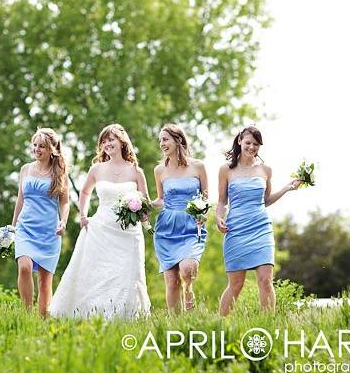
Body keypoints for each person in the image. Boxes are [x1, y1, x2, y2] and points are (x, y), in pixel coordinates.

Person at [49, 124, 151, 319]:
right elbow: (85, 192)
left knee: (127, 274)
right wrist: (84, 215)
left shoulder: (136, 171)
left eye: (111, 139)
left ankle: (125, 317)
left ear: (122, 142)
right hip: (102, 229)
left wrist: (145, 220)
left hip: (129, 233)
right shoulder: (97, 169)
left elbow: (144, 201)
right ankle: (93, 315)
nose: (107, 144)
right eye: (104, 141)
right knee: (99, 273)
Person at [216, 126, 301, 316]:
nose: (252, 147)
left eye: (256, 144)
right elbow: (222, 201)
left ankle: (267, 324)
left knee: (265, 279)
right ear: (239, 141)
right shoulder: (226, 170)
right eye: (248, 143)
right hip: (236, 230)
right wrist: (219, 218)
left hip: (261, 228)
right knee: (236, 284)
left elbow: (266, 201)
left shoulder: (265, 170)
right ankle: (221, 324)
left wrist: (287, 188)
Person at [12, 128, 70, 317]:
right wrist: (12, 228)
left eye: (42, 146)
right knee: (24, 267)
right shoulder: (25, 169)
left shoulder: (59, 172)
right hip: (25, 228)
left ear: (51, 149)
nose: (37, 149)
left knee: (45, 282)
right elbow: (20, 200)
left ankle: (43, 321)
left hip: (49, 231)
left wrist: (63, 221)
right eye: (35, 145)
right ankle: (26, 316)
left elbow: (65, 202)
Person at [151, 124, 208, 312]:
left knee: (187, 269)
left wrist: (203, 215)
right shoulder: (160, 170)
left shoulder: (198, 166)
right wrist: (144, 205)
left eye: (165, 139)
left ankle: (190, 304)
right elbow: (161, 200)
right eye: (160, 140)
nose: (162, 144)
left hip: (191, 226)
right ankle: (175, 326)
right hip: (167, 228)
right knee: (171, 281)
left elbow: (205, 198)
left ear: (178, 140)